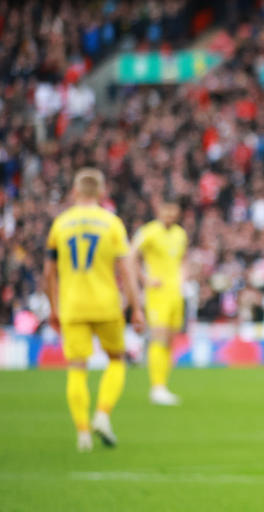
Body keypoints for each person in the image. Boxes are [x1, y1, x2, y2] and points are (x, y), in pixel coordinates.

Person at [43, 168, 144, 452]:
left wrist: (53, 308)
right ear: (101, 193)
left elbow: (48, 272)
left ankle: (83, 433)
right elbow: (126, 270)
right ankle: (102, 414)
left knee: (77, 368)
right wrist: (136, 308)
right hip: (106, 304)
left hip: (72, 306)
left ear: (75, 192)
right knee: (116, 359)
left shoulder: (60, 225)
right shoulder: (111, 223)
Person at [133, 199, 188, 406]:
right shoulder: (148, 232)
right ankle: (156, 388)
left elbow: (182, 260)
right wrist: (144, 279)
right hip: (157, 294)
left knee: (171, 340)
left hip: (175, 293)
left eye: (173, 210)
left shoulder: (180, 234)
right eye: (167, 210)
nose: (170, 214)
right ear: (160, 210)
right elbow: (131, 255)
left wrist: (184, 277)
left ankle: (163, 385)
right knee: (159, 338)